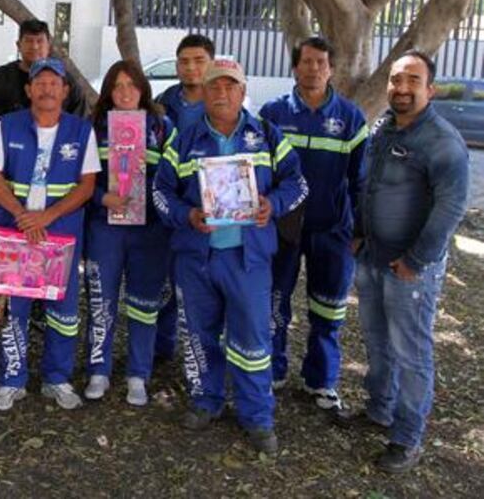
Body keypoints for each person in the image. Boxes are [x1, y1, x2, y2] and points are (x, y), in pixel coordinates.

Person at [153, 58, 307, 454]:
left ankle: (257, 416)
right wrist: (186, 214)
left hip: (248, 259)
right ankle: (206, 402)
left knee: (254, 337)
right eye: (214, 87)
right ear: (203, 92)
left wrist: (273, 204)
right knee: (200, 335)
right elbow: (160, 192)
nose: (222, 93)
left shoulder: (268, 136)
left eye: (230, 86)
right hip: (196, 257)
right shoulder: (183, 140)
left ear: (242, 91)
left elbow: (298, 183)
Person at [351, 50, 469, 473]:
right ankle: (378, 409)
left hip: (409, 269)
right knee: (377, 343)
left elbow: (451, 208)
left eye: (412, 81)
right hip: (372, 258)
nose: (401, 88)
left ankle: (406, 438)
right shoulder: (384, 129)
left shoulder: (441, 141)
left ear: (429, 89)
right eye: (396, 79)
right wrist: (360, 234)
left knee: (411, 352)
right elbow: (370, 188)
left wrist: (416, 261)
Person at [0, 58, 98, 411]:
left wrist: (48, 215)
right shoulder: (8, 126)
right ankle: (11, 379)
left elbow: (88, 184)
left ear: (64, 91)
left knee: (62, 311)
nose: (47, 88)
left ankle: (56, 379)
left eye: (54, 83)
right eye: (40, 82)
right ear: (29, 89)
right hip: (15, 232)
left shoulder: (81, 130)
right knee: (13, 308)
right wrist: (21, 214)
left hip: (59, 234)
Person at [259, 37, 368, 412]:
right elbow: (260, 173)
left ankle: (321, 381)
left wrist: (359, 231)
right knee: (275, 301)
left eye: (321, 62)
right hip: (282, 228)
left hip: (332, 229)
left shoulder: (351, 118)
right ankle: (272, 371)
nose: (314, 68)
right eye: (307, 61)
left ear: (332, 68)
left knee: (328, 308)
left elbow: (361, 181)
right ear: (295, 67)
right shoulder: (272, 114)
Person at [83, 60, 175, 405]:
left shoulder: (163, 126)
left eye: (131, 85)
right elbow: (79, 182)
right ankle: (98, 370)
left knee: (143, 305)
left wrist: (153, 200)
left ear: (143, 89)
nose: (124, 92)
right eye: (117, 86)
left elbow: (175, 177)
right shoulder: (92, 129)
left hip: (149, 231)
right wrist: (101, 197)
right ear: (108, 90)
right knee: (101, 301)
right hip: (105, 227)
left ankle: (138, 374)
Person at [151, 33, 216, 364]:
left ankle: (205, 354)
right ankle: (162, 348)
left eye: (198, 61)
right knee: (163, 278)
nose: (190, 68)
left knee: (202, 286)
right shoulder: (163, 101)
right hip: (168, 203)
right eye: (184, 61)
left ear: (211, 64)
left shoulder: (221, 101)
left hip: (209, 210)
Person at [0, 19, 87, 120]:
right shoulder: (1, 77)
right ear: (18, 45)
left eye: (40, 41)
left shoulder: (66, 81)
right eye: (29, 41)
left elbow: (79, 121)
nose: (34, 46)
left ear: (49, 46)